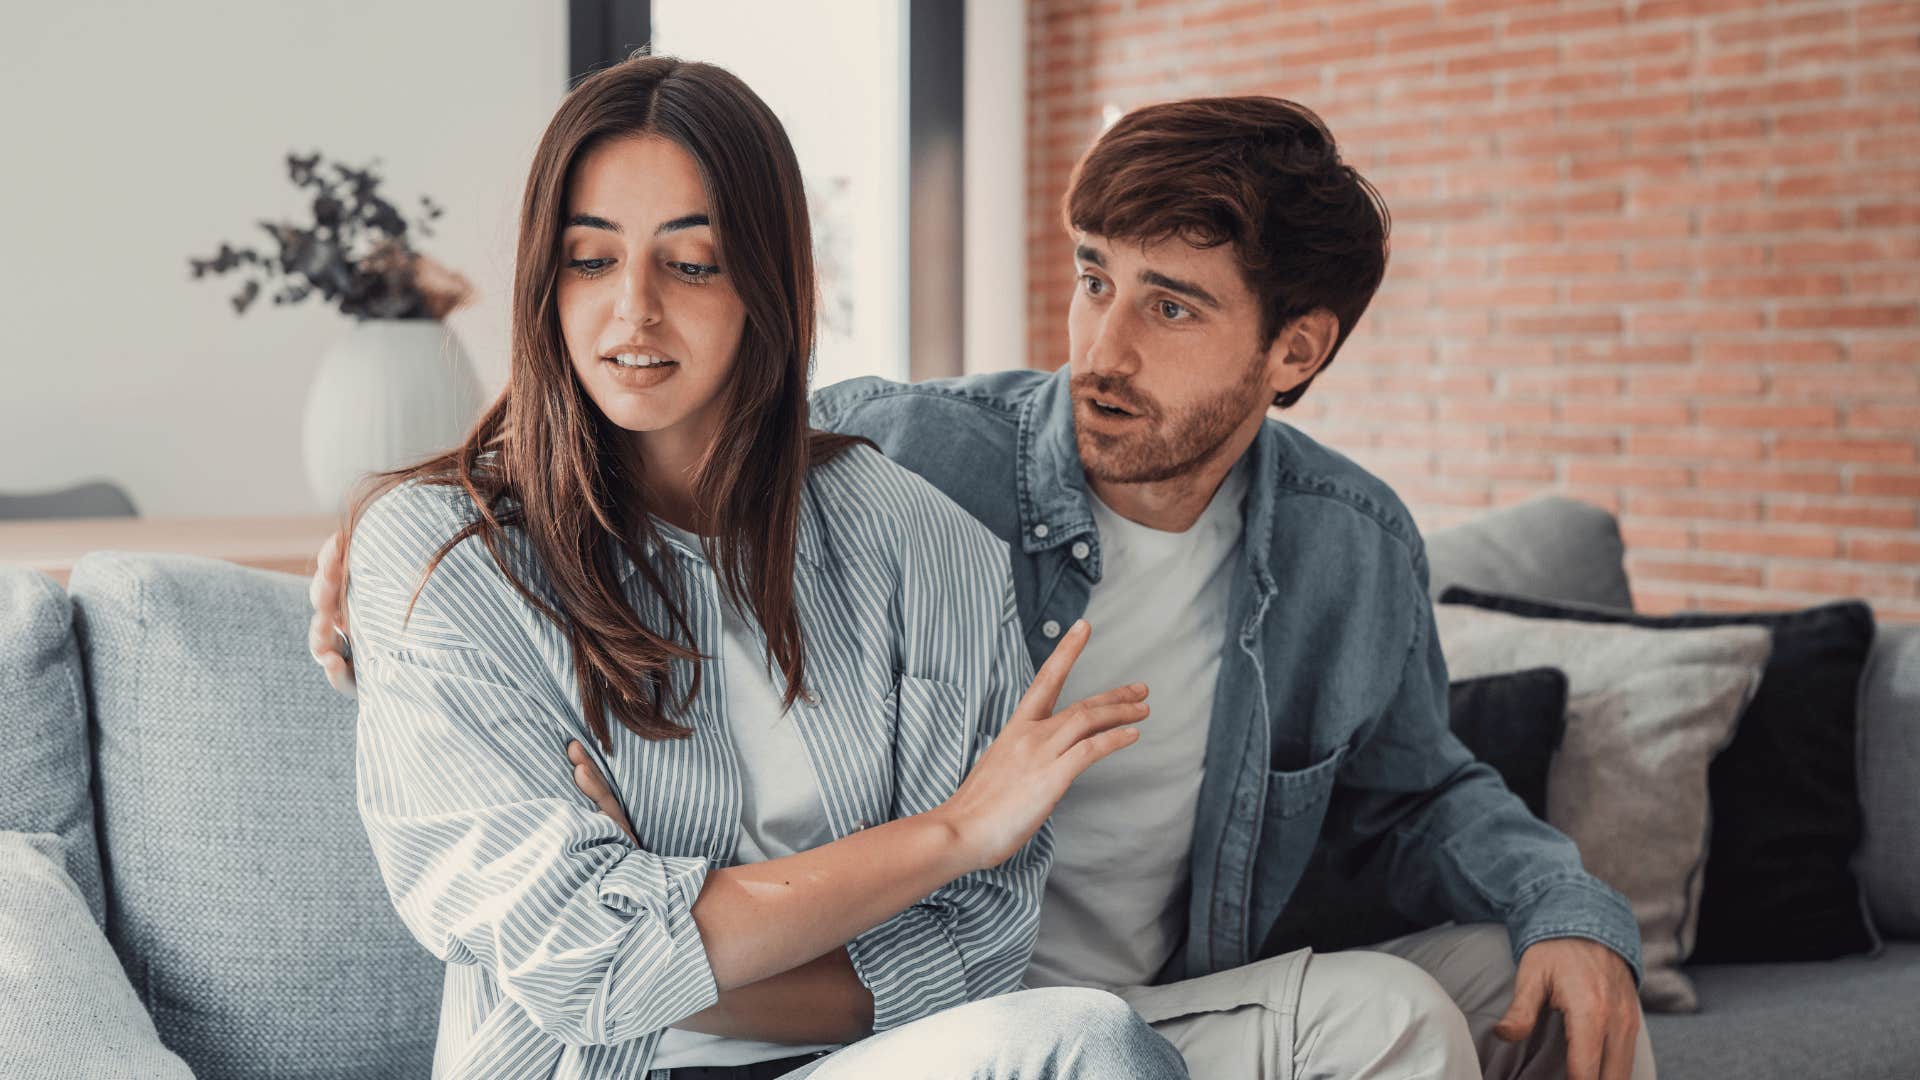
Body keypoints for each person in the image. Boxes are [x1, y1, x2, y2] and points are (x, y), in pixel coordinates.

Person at [318, 93, 1656, 1078]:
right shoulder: (931, 454)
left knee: (1514, 1001)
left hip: (1078, 995)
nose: (1103, 349)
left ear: (1293, 349)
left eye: (1172, 307)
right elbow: (649, 389)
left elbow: (1420, 793)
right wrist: (417, 515)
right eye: (1093, 282)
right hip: (929, 1019)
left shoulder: (1340, 548)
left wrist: (1573, 910)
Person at [335, 54, 1186, 1080]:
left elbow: (977, 949)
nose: (634, 311)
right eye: (590, 260)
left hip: (873, 1063)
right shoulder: (443, 559)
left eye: (691, 264)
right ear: (542, 280)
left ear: (766, 284)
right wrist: (951, 834)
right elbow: (576, 962)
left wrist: (665, 927)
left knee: (1089, 1044)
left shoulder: (924, 545)